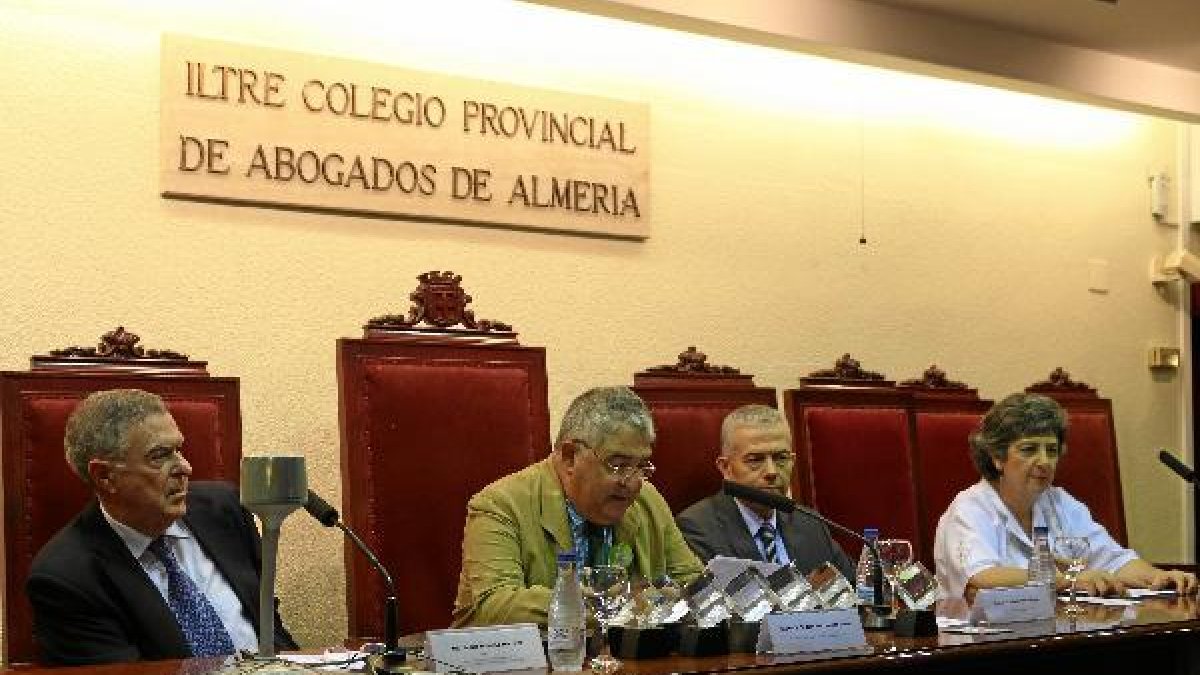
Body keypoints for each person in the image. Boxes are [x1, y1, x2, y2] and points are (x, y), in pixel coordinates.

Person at [26, 389, 296, 665]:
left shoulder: (225, 508)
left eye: (179, 449)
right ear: (105, 476)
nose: (185, 468)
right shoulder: (68, 580)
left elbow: (269, 624)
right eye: (160, 456)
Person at [452, 386, 703, 627]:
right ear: (570, 456)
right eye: (618, 464)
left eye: (642, 466)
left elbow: (694, 585)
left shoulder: (648, 499)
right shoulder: (501, 504)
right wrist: (613, 604)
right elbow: (495, 607)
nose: (634, 482)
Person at [934, 392, 1197, 600]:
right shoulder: (970, 508)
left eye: (1051, 450)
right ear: (997, 457)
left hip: (1057, 638)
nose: (1044, 461)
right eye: (1029, 450)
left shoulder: (1059, 503)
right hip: (980, 646)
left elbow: (1113, 559)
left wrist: (1160, 578)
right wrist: (1068, 580)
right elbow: (981, 579)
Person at [676, 405, 854, 579]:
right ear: (725, 467)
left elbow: (856, 593)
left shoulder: (810, 523)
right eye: (755, 460)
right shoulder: (698, 529)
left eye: (781, 458)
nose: (772, 471)